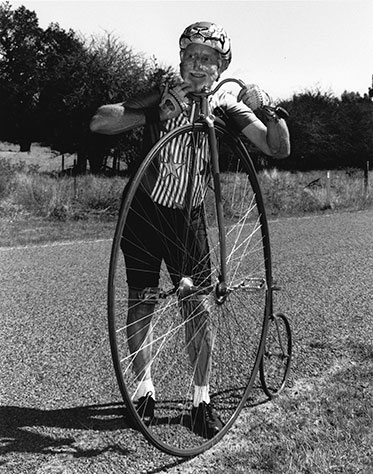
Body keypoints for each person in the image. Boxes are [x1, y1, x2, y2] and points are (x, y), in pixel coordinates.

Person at [90, 21, 290, 439]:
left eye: (209, 60)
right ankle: (143, 390)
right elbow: (100, 122)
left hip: (188, 216)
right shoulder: (161, 90)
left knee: (196, 306)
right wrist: (155, 111)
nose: (199, 67)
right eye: (192, 57)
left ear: (222, 67)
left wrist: (269, 108)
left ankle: (201, 401)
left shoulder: (226, 108)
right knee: (141, 299)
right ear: (180, 60)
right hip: (144, 212)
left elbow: (277, 146)